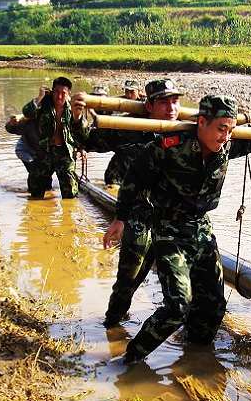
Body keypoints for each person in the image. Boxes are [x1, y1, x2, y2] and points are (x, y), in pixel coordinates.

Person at [104, 95, 251, 365]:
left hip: (201, 229)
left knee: (213, 306)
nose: (225, 136)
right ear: (202, 122)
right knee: (177, 306)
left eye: (230, 129)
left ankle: (195, 356)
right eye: (220, 128)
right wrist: (120, 219)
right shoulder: (167, 147)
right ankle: (128, 360)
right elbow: (134, 180)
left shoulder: (227, 145)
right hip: (168, 231)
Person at [71, 79, 184, 328]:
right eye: (163, 102)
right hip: (138, 216)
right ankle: (112, 323)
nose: (171, 108)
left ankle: (186, 330)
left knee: (183, 280)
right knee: (129, 278)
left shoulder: (186, 131)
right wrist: (77, 115)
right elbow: (87, 140)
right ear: (148, 106)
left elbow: (226, 138)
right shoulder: (127, 128)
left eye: (175, 100)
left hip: (175, 220)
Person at [22, 76, 83, 199]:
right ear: (52, 91)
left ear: (68, 93)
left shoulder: (73, 107)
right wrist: (39, 97)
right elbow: (26, 112)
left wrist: (82, 147)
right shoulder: (44, 103)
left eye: (63, 93)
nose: (59, 97)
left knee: (70, 195)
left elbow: (81, 131)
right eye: (56, 92)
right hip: (46, 151)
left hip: (65, 153)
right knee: (35, 192)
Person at [5, 114, 51, 193]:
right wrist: (13, 122)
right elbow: (10, 128)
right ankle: (32, 193)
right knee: (35, 171)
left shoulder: (54, 121)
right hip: (25, 151)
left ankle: (47, 191)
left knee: (46, 172)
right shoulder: (29, 121)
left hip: (40, 152)